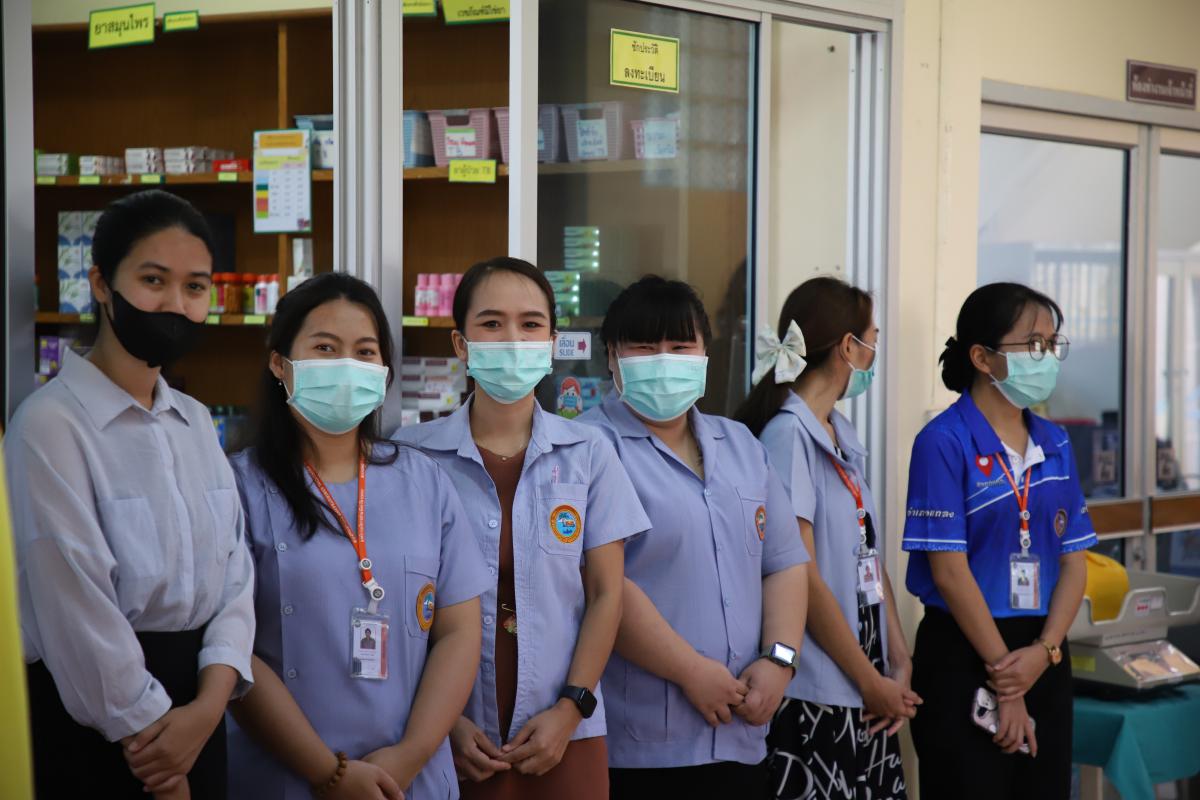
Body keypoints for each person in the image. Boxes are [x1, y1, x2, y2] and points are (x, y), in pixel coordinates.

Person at [4, 190, 255, 798]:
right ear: (100, 284)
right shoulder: (48, 426)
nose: (175, 304)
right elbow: (73, 606)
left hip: (198, 714)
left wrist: (208, 708)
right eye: (153, 280)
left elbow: (235, 579)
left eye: (195, 287)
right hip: (103, 729)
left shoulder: (195, 421)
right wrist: (158, 754)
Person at [225, 272, 490, 800]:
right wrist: (329, 773)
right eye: (325, 348)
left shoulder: (424, 481)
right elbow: (232, 649)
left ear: (384, 370)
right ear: (279, 363)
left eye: (365, 351)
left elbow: (459, 632)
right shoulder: (239, 486)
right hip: (288, 777)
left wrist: (411, 755)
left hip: (410, 778)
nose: (346, 365)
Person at [392, 257, 648, 800]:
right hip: (446, 737)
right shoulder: (412, 456)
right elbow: (399, 605)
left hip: (565, 733)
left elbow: (607, 594)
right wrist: (443, 721)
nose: (512, 338)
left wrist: (571, 708)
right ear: (461, 345)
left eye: (530, 324)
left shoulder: (589, 453)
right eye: (491, 323)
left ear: (552, 343)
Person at [578, 276, 810, 798]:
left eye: (681, 346)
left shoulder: (742, 445)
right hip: (641, 744)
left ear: (705, 352)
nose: (664, 360)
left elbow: (783, 562)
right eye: (644, 347)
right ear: (612, 357)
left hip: (743, 731)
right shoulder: (586, 448)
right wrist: (690, 672)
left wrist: (779, 660)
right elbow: (602, 583)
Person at [902, 283, 1094, 799]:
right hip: (965, 652)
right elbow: (949, 571)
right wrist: (1007, 683)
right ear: (982, 357)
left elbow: (1075, 561)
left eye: (1051, 344)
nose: (1045, 357)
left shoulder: (1055, 442)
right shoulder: (943, 442)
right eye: (1032, 344)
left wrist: (1045, 651)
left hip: (1044, 654)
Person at [735, 277, 917, 800]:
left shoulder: (837, 431)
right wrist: (869, 680)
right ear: (848, 347)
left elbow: (867, 553)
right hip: (821, 690)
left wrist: (898, 657)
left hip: (866, 685)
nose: (875, 352)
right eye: (872, 339)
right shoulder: (788, 436)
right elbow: (802, 575)